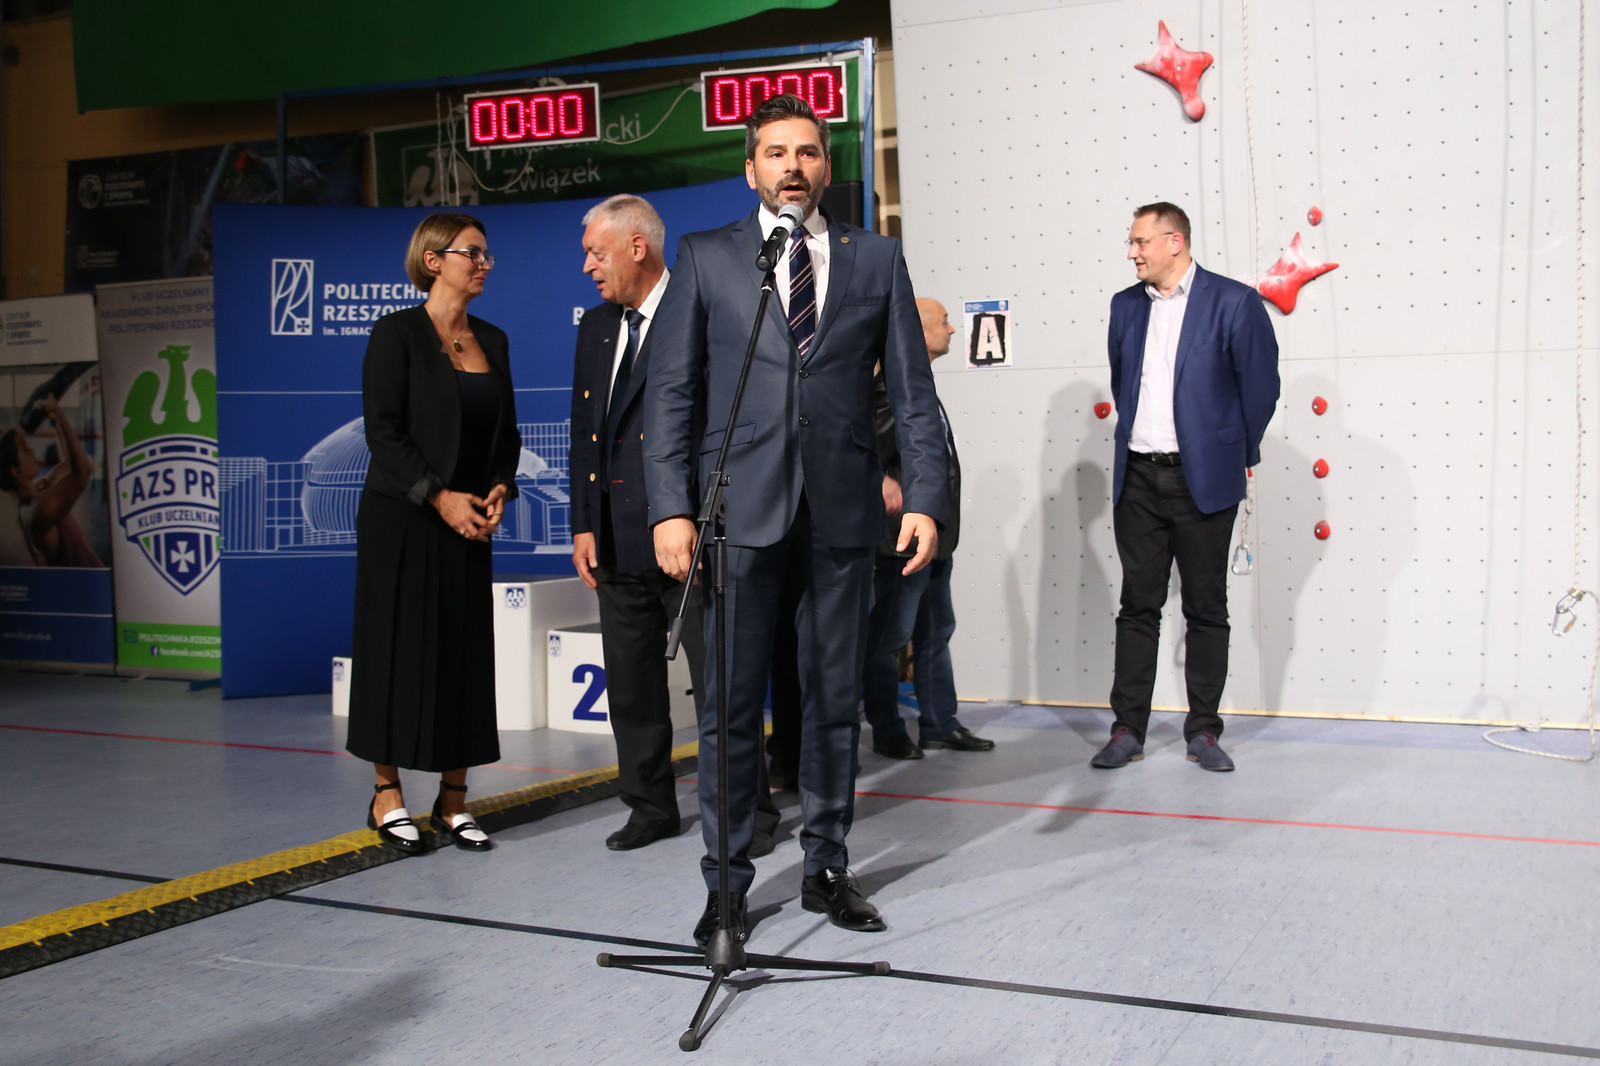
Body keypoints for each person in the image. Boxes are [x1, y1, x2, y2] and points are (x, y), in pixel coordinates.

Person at [645, 94, 946, 947]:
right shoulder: (707, 257)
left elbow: (912, 394)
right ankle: (727, 889)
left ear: (825, 165)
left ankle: (826, 868)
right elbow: (671, 394)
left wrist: (924, 496)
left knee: (832, 700)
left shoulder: (876, 258)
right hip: (736, 512)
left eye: (807, 152)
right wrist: (671, 509)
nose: (792, 166)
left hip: (842, 513)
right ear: (751, 169)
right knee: (730, 709)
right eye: (775, 152)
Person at [569, 194, 779, 853]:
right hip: (615, 539)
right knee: (631, 686)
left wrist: (699, 515)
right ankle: (650, 806)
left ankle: (749, 814)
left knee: (721, 685)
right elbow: (585, 432)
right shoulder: (596, 327)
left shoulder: (704, 312)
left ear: (638, 248)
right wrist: (583, 523)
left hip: (690, 537)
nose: (587, 268)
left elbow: (725, 426)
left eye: (596, 253)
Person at [346, 212, 519, 853]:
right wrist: (437, 496)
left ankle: (453, 801)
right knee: (393, 650)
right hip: (402, 517)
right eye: (472, 253)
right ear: (432, 260)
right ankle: (386, 793)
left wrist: (500, 486)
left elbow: (507, 434)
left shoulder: (493, 340)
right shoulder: (395, 333)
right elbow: (383, 432)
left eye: (486, 255)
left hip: (469, 521)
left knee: (464, 655)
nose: (482, 264)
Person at [1093, 202, 1279, 773]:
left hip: (1204, 479)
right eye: (1131, 242)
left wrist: (1228, 452)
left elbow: (1261, 389)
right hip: (1138, 477)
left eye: (1140, 242)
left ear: (1174, 241)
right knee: (1137, 606)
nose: (1132, 253)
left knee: (1206, 609)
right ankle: (1128, 729)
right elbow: (1124, 383)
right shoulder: (1125, 306)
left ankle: (1203, 732)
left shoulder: (1233, 302)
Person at [863, 298, 994, 758]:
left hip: (935, 539)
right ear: (916, 332)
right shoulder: (887, 390)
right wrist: (881, 481)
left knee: (936, 629)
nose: (953, 329)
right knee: (890, 636)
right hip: (904, 542)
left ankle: (940, 724)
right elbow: (868, 455)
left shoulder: (915, 386)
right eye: (944, 322)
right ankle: (887, 729)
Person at [0, 396, 103, 567]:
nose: (32, 451)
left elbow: (67, 465)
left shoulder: (38, 492)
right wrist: (59, 412)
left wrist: (55, 422)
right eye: (25, 449)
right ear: (16, 471)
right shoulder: (38, 510)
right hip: (82, 581)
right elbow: (84, 470)